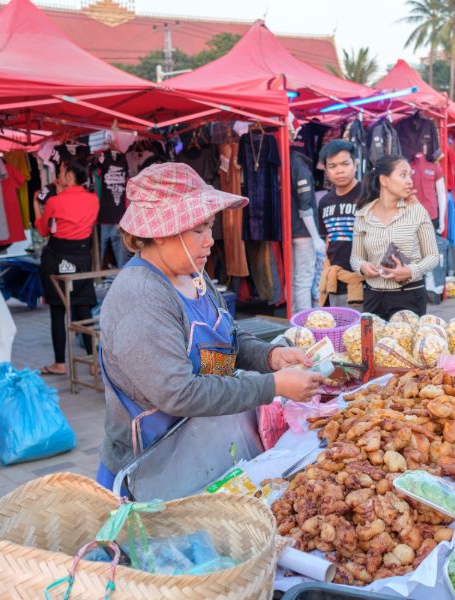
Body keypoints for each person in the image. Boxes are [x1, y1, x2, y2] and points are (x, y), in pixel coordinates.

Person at [96, 162, 324, 490]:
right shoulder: (141, 297)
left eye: (210, 226)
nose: (210, 241)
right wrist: (273, 386)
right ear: (160, 232)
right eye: (198, 229)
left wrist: (270, 357)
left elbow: (227, 336)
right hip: (151, 472)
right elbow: (179, 393)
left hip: (204, 449)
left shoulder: (194, 275)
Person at [350, 155, 440, 319]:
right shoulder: (363, 215)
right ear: (384, 180)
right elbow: (355, 258)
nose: (410, 181)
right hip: (373, 298)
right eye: (403, 175)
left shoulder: (417, 211)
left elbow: (433, 257)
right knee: (375, 344)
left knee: (406, 344)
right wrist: (363, 266)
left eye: (410, 176)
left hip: (410, 296)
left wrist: (410, 270)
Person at [36, 158, 99, 376]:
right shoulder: (93, 200)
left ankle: (60, 364)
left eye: (62, 172)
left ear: (70, 177)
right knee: (84, 308)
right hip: (82, 258)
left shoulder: (54, 201)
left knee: (57, 310)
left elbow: (44, 230)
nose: (59, 176)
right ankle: (93, 362)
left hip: (57, 259)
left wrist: (37, 206)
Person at [317, 140, 364, 308]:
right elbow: (329, 239)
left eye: (345, 164)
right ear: (326, 170)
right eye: (333, 166)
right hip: (336, 280)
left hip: (365, 281)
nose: (340, 170)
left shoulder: (368, 195)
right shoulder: (324, 202)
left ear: (355, 164)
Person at [290, 148, 325, 314]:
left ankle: (296, 318)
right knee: (304, 278)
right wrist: (316, 237)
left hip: (293, 230)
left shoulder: (288, 162)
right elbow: (305, 205)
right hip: (304, 231)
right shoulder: (299, 165)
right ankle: (304, 323)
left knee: (296, 278)